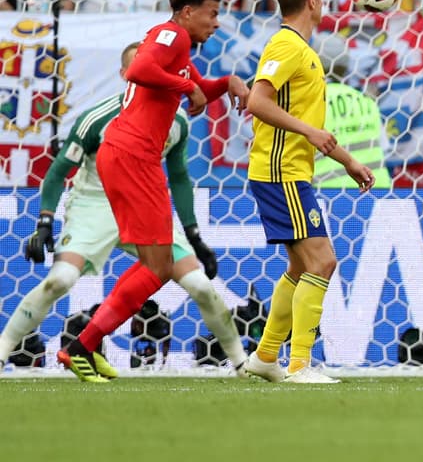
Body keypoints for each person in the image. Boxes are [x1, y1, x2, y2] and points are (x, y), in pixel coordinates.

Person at [0, 42, 247, 374]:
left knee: (200, 285)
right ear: (125, 76)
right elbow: (58, 170)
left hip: (143, 205)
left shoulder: (176, 122)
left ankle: (241, 363)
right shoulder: (97, 118)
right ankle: (3, 350)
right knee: (60, 280)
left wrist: (194, 234)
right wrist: (44, 221)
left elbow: (179, 177)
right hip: (95, 206)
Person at [56, 0, 249, 382]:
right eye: (212, 13)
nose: (217, 22)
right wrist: (188, 86)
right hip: (133, 157)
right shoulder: (171, 34)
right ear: (188, 12)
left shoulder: (178, 47)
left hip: (127, 156)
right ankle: (81, 347)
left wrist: (228, 83)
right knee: (160, 266)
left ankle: (82, 347)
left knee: (155, 265)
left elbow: (201, 88)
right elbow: (140, 70)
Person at [242, 0, 375, 384]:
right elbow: (258, 102)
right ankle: (299, 364)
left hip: (291, 170)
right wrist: (309, 132)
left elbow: (302, 120)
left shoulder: (301, 49)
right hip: (280, 171)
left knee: (301, 268)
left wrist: (347, 161)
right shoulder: (286, 45)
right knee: (323, 261)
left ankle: (266, 356)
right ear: (313, 2)